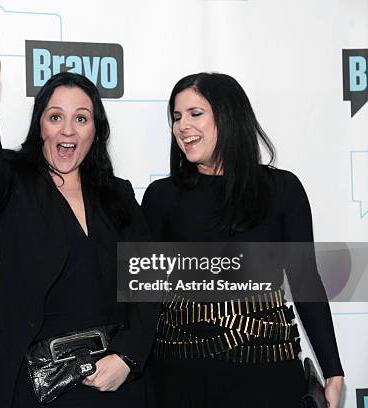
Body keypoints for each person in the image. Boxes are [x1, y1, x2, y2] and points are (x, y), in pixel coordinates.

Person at [0, 12, 157, 408]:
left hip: (114, 382)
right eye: (55, 116)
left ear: (96, 131)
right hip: (35, 386)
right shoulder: (14, 180)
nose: (67, 130)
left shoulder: (118, 194)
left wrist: (128, 357)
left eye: (81, 118)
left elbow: (146, 287)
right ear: (40, 124)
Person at [141, 72, 344, 407]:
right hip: (180, 376)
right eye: (176, 117)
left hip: (267, 372)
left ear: (228, 116)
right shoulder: (161, 197)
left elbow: (306, 279)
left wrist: (332, 369)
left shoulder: (282, 190)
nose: (182, 126)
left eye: (195, 113)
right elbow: (143, 295)